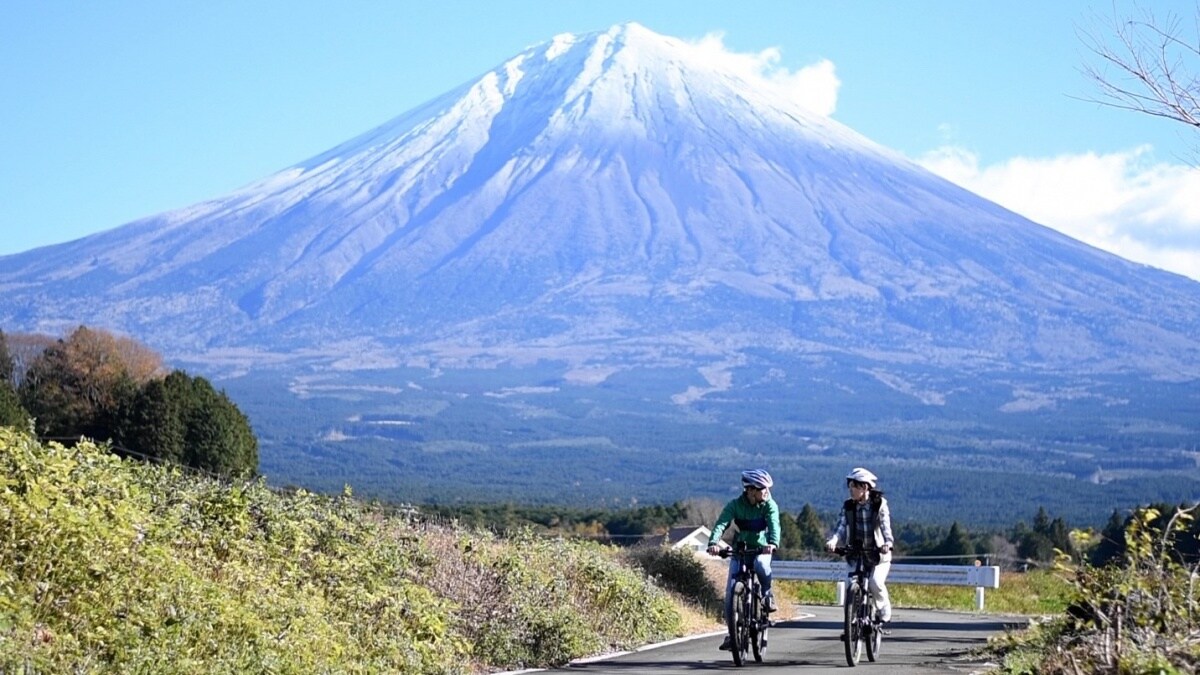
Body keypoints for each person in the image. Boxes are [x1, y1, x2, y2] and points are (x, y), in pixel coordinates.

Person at [706, 468, 781, 650]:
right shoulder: (735, 505)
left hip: (761, 549)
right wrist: (713, 543)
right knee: (730, 593)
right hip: (740, 551)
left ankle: (767, 595)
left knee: (761, 565)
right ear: (750, 490)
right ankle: (733, 634)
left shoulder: (769, 505)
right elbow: (721, 524)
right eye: (762, 488)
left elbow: (774, 524)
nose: (766, 491)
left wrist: (772, 543)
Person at [825, 467, 894, 624]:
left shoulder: (879, 505)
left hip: (877, 554)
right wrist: (833, 541)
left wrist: (888, 543)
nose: (851, 490)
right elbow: (841, 527)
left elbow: (885, 527)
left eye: (854, 487)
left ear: (864, 487)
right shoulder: (849, 506)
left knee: (875, 583)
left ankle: (883, 606)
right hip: (855, 552)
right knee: (851, 585)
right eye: (850, 486)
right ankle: (851, 622)